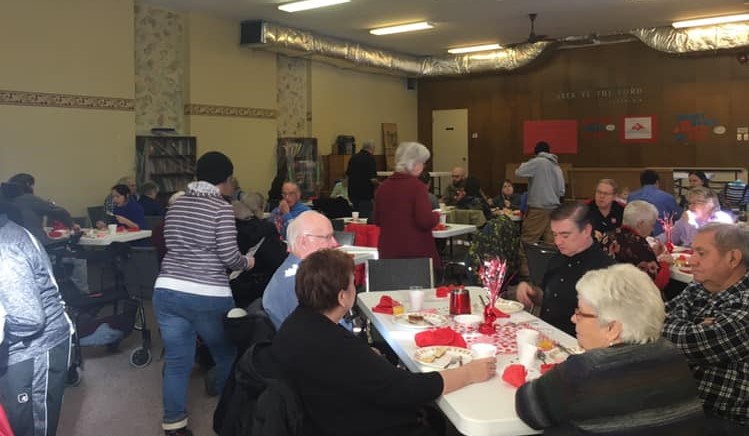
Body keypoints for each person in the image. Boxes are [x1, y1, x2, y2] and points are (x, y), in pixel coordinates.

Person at [272, 249, 497, 436]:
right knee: (436, 416)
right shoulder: (336, 346)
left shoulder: (298, 324)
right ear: (343, 297)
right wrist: (469, 373)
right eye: (352, 284)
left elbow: (342, 366)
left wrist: (365, 362)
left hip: (321, 414)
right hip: (357, 424)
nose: (355, 288)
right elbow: (410, 389)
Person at [516, 264, 705, 435]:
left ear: (612, 329)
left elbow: (528, 408)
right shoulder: (672, 354)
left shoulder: (589, 368)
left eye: (580, 313)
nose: (574, 319)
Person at [153, 151, 254, 436]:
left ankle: (174, 424)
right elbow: (228, 256)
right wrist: (248, 262)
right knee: (227, 354)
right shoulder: (221, 208)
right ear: (226, 179)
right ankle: (229, 413)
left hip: (168, 289)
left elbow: (170, 242)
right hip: (208, 293)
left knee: (176, 360)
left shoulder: (176, 204)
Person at [662, 223, 749, 434]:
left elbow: (692, 344)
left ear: (733, 258)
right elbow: (654, 316)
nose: (692, 260)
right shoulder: (700, 286)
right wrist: (690, 328)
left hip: (726, 420)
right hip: (682, 404)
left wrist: (685, 329)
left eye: (701, 253)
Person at [0, 200, 74, 436]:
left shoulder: (5, 248)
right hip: (21, 344)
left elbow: (29, 318)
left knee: (30, 428)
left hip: (36, 348)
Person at [515, 202, 614, 336]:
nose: (557, 242)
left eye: (565, 235)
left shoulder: (605, 270)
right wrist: (532, 292)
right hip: (547, 335)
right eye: (555, 235)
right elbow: (547, 298)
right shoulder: (557, 258)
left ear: (586, 230)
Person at [262, 211, 338, 330]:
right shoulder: (304, 282)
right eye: (327, 237)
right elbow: (325, 332)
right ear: (303, 242)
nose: (335, 243)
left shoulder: (287, 272)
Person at [373, 142, 441, 272]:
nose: (423, 166)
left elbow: (377, 219)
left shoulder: (383, 187)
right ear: (414, 165)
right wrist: (436, 216)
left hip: (388, 252)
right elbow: (425, 221)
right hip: (415, 253)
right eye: (422, 162)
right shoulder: (417, 187)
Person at [515, 141, 566, 278]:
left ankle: (527, 275)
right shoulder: (557, 166)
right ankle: (548, 274)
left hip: (538, 210)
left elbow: (519, 172)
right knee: (551, 245)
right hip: (554, 210)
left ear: (536, 152)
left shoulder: (538, 162)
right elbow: (561, 191)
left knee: (527, 243)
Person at [231, 192, 288, 308]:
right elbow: (279, 261)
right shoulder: (265, 230)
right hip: (256, 290)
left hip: (231, 285)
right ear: (261, 208)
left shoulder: (228, 226)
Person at [599, 200, 670, 291]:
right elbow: (656, 283)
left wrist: (653, 254)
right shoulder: (639, 245)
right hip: (628, 297)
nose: (652, 229)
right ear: (640, 224)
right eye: (651, 224)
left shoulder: (608, 236)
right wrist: (665, 263)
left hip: (605, 291)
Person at [2, 173, 76, 245]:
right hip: (35, 242)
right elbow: (60, 212)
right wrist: (71, 225)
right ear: (28, 184)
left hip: (8, 243)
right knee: (71, 238)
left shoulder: (3, 200)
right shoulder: (30, 199)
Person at [656, 187, 734, 247]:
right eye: (690, 203)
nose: (691, 207)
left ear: (711, 203)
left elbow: (705, 244)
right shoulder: (689, 217)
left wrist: (692, 223)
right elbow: (672, 235)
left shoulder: (722, 219)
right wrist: (655, 241)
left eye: (697, 203)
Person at [628, 169, 681, 235]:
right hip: (660, 238)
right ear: (657, 182)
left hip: (636, 236)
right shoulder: (667, 197)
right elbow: (679, 217)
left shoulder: (631, 197)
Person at [346, 140, 378, 217]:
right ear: (372, 148)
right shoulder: (370, 159)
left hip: (353, 193)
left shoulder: (353, 157)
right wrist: (381, 184)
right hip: (365, 195)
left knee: (355, 215)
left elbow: (348, 175)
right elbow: (372, 179)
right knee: (365, 216)